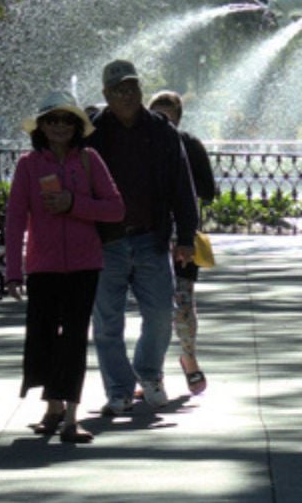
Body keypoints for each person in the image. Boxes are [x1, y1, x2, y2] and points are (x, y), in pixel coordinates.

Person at [4, 91, 125, 444]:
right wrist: (13, 270)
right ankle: (52, 406)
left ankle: (71, 416)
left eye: (67, 120)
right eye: (52, 120)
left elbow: (116, 209)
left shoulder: (89, 160)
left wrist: (74, 203)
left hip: (85, 265)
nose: (59, 126)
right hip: (43, 265)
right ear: (41, 126)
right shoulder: (29, 164)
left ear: (76, 127)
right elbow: (14, 221)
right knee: (43, 338)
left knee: (73, 339)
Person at [87, 60, 198, 416]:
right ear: (106, 94)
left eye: (133, 87)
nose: (128, 95)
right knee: (107, 321)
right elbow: (47, 142)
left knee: (160, 315)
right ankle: (118, 389)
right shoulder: (92, 131)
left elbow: (184, 186)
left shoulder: (161, 131)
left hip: (151, 237)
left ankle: (149, 374)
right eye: (119, 89)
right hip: (107, 240)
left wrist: (186, 236)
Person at [147, 90, 217, 396]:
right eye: (156, 115)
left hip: (182, 237)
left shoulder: (189, 144)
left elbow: (208, 191)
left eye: (168, 116)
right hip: (147, 235)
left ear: (178, 117)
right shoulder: (141, 144)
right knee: (153, 309)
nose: (162, 122)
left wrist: (179, 179)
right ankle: (152, 371)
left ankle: (189, 357)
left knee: (183, 302)